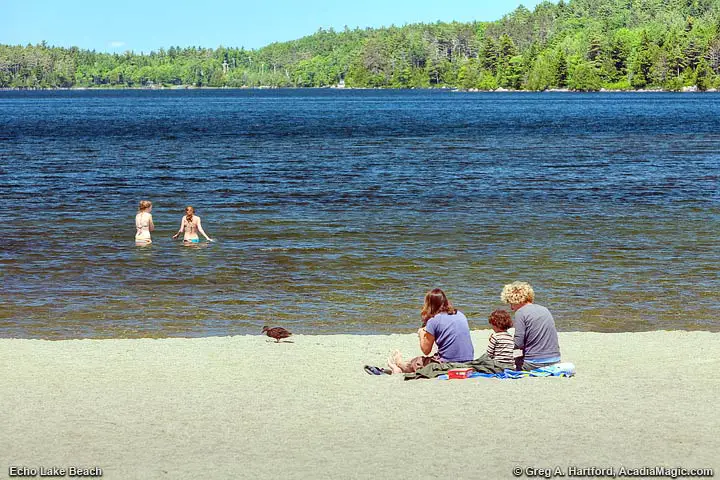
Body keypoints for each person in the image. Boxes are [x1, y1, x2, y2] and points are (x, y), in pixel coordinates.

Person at [387, 288, 474, 374]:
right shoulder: (460, 314)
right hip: (468, 361)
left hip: (448, 364)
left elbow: (426, 350)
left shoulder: (433, 320)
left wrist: (421, 334)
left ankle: (399, 365)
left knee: (417, 361)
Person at [501, 281, 561, 371]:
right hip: (555, 359)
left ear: (516, 300)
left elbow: (518, 343)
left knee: (503, 364)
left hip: (535, 362)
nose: (511, 308)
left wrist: (502, 344)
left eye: (511, 303)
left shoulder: (520, 313)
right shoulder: (544, 309)